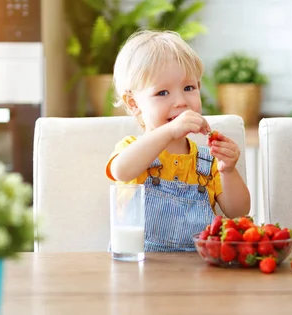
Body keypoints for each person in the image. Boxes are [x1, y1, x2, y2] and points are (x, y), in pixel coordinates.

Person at [105, 30, 250, 252]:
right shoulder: (132, 150)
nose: (181, 101)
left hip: (197, 272)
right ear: (134, 103)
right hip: (139, 270)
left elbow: (239, 212)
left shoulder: (207, 161)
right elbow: (121, 171)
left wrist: (228, 171)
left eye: (189, 88)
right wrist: (169, 131)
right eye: (162, 93)